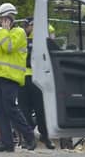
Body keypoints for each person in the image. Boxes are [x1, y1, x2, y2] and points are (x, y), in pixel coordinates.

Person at [0, 3, 35, 152]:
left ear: (8, 18)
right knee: (0, 111)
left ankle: (29, 137)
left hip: (10, 78)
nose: (0, 22)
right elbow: (0, 55)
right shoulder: (6, 34)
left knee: (11, 109)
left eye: (2, 19)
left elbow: (8, 48)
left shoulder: (18, 32)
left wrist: (3, 31)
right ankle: (6, 143)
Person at [19, 17, 55, 150]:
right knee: (24, 111)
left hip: (37, 77)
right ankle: (28, 138)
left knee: (41, 110)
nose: (25, 28)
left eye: (27, 25)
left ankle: (45, 136)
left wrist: (40, 26)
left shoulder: (41, 34)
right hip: (22, 78)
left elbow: (51, 33)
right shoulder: (21, 36)